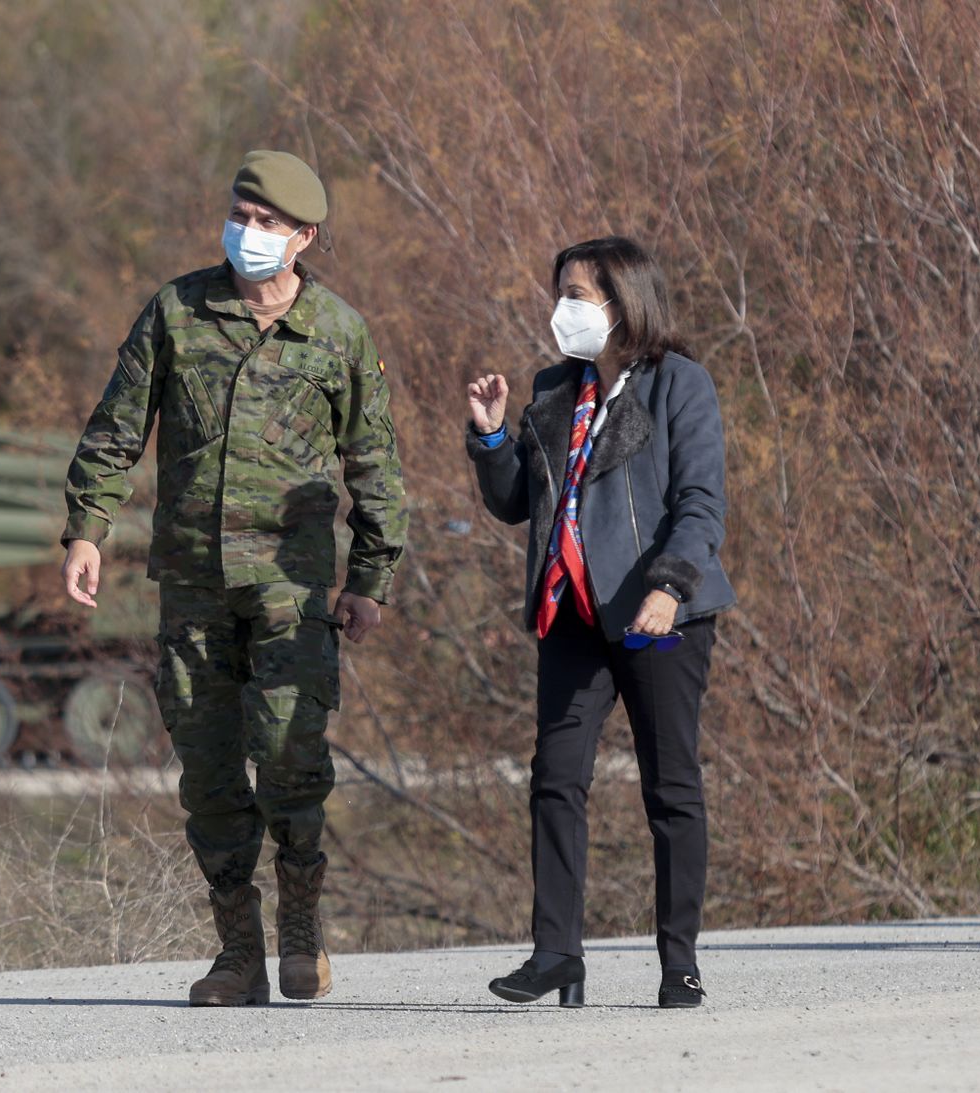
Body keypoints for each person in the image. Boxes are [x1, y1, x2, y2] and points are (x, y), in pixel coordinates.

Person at [61, 150, 408, 1007]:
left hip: (291, 589)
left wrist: (371, 576)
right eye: (240, 215)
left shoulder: (338, 333)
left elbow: (375, 462)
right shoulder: (177, 313)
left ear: (304, 238)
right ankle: (237, 957)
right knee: (209, 773)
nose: (247, 233)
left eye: (266, 223)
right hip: (193, 581)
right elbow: (115, 428)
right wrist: (87, 529)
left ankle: (302, 938)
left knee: (292, 764)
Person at [466, 236, 734, 1009]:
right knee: (555, 778)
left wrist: (671, 587)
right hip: (574, 615)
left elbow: (700, 503)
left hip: (657, 611)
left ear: (625, 301)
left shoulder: (680, 383)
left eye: (579, 294)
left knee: (670, 786)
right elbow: (519, 501)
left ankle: (678, 962)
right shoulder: (555, 389)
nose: (565, 309)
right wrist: (489, 436)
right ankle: (557, 953)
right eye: (563, 293)